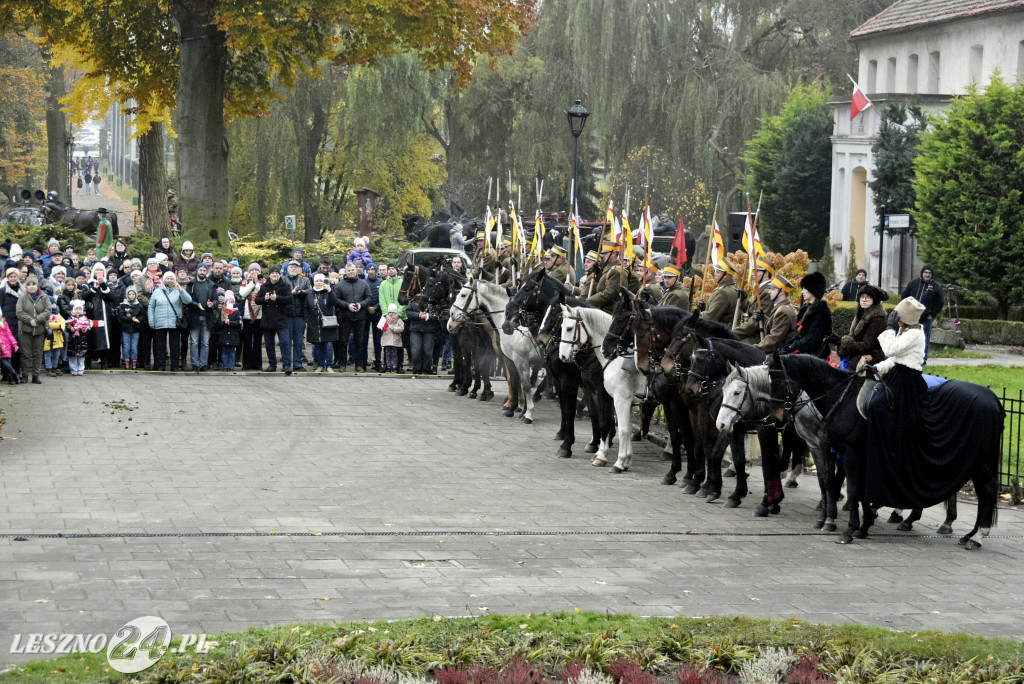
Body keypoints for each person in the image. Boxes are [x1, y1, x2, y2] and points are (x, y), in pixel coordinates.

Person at [781, 271, 832, 359]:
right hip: (804, 352)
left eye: (805, 288)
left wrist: (792, 347)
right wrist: (786, 346)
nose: (802, 292)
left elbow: (810, 340)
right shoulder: (806, 309)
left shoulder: (820, 312)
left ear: (813, 290)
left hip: (813, 356)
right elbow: (798, 335)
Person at [837, 284, 888, 371]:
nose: (864, 299)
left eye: (868, 297)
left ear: (874, 300)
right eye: (862, 297)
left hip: (872, 356)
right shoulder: (861, 314)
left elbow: (867, 346)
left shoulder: (878, 319)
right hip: (858, 353)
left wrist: (847, 344)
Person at [332, 262, 370, 372]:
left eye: (352, 270)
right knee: (343, 342)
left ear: (356, 270)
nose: (351, 272)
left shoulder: (363, 284)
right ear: (346, 272)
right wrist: (347, 306)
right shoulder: (340, 285)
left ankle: (358, 365)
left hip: (360, 317)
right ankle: (342, 364)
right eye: (348, 270)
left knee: (359, 341)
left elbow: (369, 298)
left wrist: (360, 305)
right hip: (345, 317)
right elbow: (336, 300)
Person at [901, 264, 943, 362]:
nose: (927, 275)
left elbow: (940, 302)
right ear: (922, 273)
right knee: (908, 337)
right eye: (925, 272)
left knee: (924, 339)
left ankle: (922, 360)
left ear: (932, 275)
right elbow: (904, 296)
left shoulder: (936, 287)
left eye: (929, 273)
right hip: (911, 317)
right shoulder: (913, 283)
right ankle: (907, 358)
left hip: (925, 318)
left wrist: (932, 314)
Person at [255, 266, 293, 374]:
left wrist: (277, 298)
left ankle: (287, 365)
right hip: (268, 319)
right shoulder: (264, 286)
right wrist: (265, 299)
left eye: (276, 273)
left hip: (281, 318)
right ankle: (272, 364)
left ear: (279, 274)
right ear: (269, 275)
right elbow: (257, 300)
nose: (274, 275)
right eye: (272, 273)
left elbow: (290, 299)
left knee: (285, 343)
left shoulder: (285, 285)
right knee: (269, 344)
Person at [81, 263, 118, 369]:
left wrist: (102, 285)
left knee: (104, 338)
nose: (99, 272)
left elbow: (111, 297)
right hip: (91, 315)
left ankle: (104, 362)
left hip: (105, 315)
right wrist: (94, 287)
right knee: (89, 337)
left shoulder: (108, 284)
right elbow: (85, 296)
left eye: (101, 270)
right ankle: (87, 362)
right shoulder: (87, 284)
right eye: (97, 270)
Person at [586, 242, 639, 314]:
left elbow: (609, 294)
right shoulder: (610, 268)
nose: (602, 255)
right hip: (603, 308)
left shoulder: (616, 271)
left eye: (605, 253)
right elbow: (603, 284)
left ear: (613, 253)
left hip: (610, 311)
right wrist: (598, 274)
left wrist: (588, 301)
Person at [733, 256, 776, 342]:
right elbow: (751, 309)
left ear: (766, 274)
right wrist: (743, 301)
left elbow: (756, 321)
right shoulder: (760, 289)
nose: (752, 273)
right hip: (750, 332)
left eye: (756, 271)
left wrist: (734, 333)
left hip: (758, 337)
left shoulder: (768, 292)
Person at [16, 275, 51, 383]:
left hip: (40, 330)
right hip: (25, 330)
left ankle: (36, 375)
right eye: (29, 284)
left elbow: (48, 311)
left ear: (37, 285)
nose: (31, 286)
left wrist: (37, 320)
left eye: (33, 284)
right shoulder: (22, 297)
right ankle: (25, 375)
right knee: (25, 354)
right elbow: (19, 312)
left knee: (38, 354)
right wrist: (30, 320)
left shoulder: (44, 297)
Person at [306, 272, 342, 372]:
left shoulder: (329, 292)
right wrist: (308, 319)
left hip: (328, 324)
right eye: (317, 281)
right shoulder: (310, 294)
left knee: (328, 345)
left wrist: (330, 291)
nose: (319, 283)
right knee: (317, 345)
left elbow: (336, 302)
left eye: (321, 281)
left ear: (324, 282)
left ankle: (329, 365)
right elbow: (306, 308)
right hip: (314, 324)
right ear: (314, 282)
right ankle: (320, 365)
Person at [754, 275, 798, 353]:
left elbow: (774, 339)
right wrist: (764, 319)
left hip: (780, 356)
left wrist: (753, 349)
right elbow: (776, 326)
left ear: (781, 292)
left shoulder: (783, 311)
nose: (769, 292)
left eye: (772, 289)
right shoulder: (782, 308)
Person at [281, 260, 311, 372]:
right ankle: (286, 364)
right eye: (291, 266)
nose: (293, 268)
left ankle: (298, 363)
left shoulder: (305, 280)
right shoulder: (282, 280)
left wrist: (301, 292)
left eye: (296, 267)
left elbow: (310, 292)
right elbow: (279, 295)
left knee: (298, 341)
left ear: (299, 269)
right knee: (286, 342)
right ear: (287, 268)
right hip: (286, 315)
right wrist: (291, 294)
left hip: (300, 315)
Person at [185, 263, 215, 372]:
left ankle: (203, 364)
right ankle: (194, 363)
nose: (202, 272)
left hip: (207, 316)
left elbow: (216, 299)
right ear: (197, 270)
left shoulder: (211, 284)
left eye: (204, 270)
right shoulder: (191, 284)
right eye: (201, 270)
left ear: (207, 272)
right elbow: (187, 299)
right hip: (194, 316)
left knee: (205, 342)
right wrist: (196, 304)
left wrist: (213, 303)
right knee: (194, 342)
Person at [377, 264, 407, 372]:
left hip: (400, 316)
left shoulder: (402, 283)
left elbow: (405, 299)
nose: (390, 271)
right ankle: (386, 364)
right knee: (387, 342)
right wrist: (386, 314)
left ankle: (399, 365)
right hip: (387, 317)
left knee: (399, 342)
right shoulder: (383, 284)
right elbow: (382, 300)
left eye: (392, 269)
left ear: (396, 270)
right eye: (389, 269)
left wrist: (398, 313)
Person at [405, 292, 439, 374]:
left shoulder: (432, 302)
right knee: (416, 350)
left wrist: (427, 316)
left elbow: (437, 313)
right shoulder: (412, 303)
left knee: (428, 350)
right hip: (415, 329)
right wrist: (418, 315)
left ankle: (426, 369)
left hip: (429, 329)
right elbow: (408, 313)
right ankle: (416, 369)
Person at [702, 258, 742, 326]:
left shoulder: (723, 293)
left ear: (726, 275)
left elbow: (710, 317)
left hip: (718, 331)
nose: (714, 274)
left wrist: (697, 314)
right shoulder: (735, 288)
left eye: (718, 272)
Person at [239, 264, 263, 370]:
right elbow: (243, 293)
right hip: (247, 315)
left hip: (259, 315)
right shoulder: (245, 282)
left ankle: (257, 364)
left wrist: (257, 283)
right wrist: (252, 282)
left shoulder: (263, 282)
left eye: (256, 270)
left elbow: (261, 293)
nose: (254, 272)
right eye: (252, 270)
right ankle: (247, 364)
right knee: (247, 341)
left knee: (257, 341)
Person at [215, 290, 242, 371]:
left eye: (232, 301)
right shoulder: (223, 311)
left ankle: (231, 366)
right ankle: (225, 365)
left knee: (232, 352)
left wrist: (230, 322)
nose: (230, 302)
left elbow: (238, 323)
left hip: (233, 335)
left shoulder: (236, 312)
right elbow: (218, 323)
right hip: (224, 335)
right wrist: (224, 322)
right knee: (224, 352)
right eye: (229, 301)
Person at [364, 264, 383, 370]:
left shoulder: (381, 283)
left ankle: (378, 362)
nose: (371, 271)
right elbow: (361, 297)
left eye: (372, 269)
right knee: (364, 339)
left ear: (376, 271)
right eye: (369, 270)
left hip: (377, 314)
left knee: (377, 340)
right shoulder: (363, 283)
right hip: (366, 314)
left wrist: (376, 307)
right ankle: (363, 361)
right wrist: (367, 308)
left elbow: (382, 298)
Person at [66, 300, 92, 376]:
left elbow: (89, 327)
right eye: (76, 309)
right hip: (72, 340)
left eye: (80, 309)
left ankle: (81, 369)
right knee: (73, 356)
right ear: (74, 309)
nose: (78, 310)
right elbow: (67, 325)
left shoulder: (85, 318)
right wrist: (71, 329)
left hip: (82, 340)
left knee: (81, 356)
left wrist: (85, 330)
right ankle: (73, 369)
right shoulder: (71, 317)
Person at [380, 303, 405, 373]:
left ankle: (394, 367)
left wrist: (394, 329)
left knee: (394, 354)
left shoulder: (399, 320)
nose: (391, 314)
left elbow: (401, 328)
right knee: (387, 354)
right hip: (387, 340)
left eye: (393, 312)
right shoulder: (385, 319)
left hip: (395, 341)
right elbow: (380, 327)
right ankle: (388, 366)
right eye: (390, 312)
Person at [42, 304, 66, 377]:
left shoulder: (58, 315)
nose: (53, 305)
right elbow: (48, 324)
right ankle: (49, 368)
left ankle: (54, 368)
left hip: (58, 337)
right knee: (48, 354)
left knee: (57, 354)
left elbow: (63, 323)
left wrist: (60, 328)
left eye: (54, 303)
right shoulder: (45, 314)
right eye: (51, 303)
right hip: (48, 337)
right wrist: (58, 326)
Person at [0, 312, 19, 384]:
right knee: (7, 362)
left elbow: (9, 334)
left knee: (4, 361)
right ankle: (12, 378)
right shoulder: (5, 323)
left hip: (3, 346)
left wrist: (14, 344)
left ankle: (13, 374)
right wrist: (14, 344)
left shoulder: (4, 323)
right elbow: (9, 335)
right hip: (7, 345)